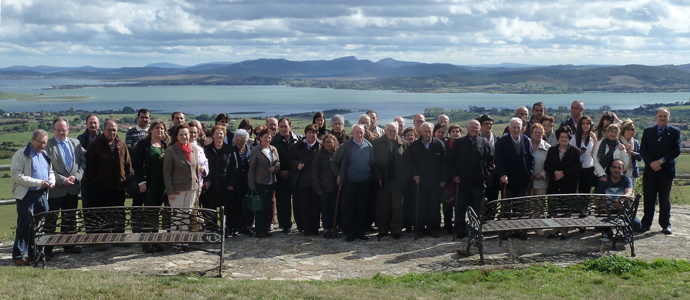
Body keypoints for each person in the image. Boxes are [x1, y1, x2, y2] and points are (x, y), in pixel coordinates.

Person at [10, 130, 55, 266]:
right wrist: (39, 182)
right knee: (24, 225)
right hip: (26, 195)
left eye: (45, 143)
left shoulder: (45, 154)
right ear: (32, 140)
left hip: (42, 194)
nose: (42, 145)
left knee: (39, 226)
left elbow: (50, 171)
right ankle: (18, 255)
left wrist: (51, 181)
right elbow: (16, 176)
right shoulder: (21, 154)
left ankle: (34, 253)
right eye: (40, 142)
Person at [45, 117, 85, 256]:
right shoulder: (47, 145)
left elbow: (82, 163)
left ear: (68, 129)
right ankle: (47, 249)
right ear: (53, 130)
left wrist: (77, 177)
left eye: (64, 130)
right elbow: (45, 168)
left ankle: (69, 245)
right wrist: (62, 180)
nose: (62, 133)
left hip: (72, 188)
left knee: (70, 218)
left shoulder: (76, 143)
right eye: (58, 130)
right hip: (55, 190)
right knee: (51, 220)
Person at [640, 107, 681, 235]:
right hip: (650, 170)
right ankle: (646, 224)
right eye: (660, 116)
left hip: (666, 170)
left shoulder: (675, 132)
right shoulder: (647, 131)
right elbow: (643, 150)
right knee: (649, 198)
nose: (663, 118)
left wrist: (661, 161)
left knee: (664, 199)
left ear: (669, 117)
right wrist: (651, 163)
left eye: (665, 116)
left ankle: (665, 224)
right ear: (656, 117)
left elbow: (676, 150)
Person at [450, 120, 493, 239]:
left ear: (480, 130)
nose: (474, 130)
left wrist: (484, 174)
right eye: (472, 128)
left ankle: (475, 230)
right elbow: (451, 162)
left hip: (478, 183)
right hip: (462, 182)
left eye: (477, 128)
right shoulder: (459, 143)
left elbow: (490, 162)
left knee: (477, 210)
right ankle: (461, 231)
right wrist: (454, 176)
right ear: (468, 129)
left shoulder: (484, 143)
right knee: (460, 208)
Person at [331, 124, 374, 242]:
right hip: (349, 182)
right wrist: (338, 174)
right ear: (352, 133)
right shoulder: (346, 146)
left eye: (361, 132)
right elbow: (334, 161)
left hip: (364, 182)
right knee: (348, 208)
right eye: (357, 132)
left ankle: (360, 232)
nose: (359, 135)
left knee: (361, 208)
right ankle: (349, 233)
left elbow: (372, 163)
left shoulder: (369, 146)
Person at [131, 119, 169, 253]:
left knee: (157, 212)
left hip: (162, 184)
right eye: (157, 128)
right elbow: (137, 164)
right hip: (148, 184)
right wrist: (142, 182)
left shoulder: (165, 145)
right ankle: (146, 241)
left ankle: (155, 239)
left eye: (162, 128)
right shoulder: (143, 144)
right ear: (151, 129)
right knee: (148, 212)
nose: (160, 130)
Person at [163, 123, 200, 253]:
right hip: (177, 189)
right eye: (182, 134)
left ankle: (184, 241)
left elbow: (196, 170)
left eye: (186, 134)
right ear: (177, 136)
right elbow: (167, 173)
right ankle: (176, 242)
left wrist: (198, 187)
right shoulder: (171, 150)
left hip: (192, 188)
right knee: (177, 216)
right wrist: (170, 191)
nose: (185, 136)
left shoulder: (194, 149)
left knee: (186, 216)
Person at [408, 122, 447, 238]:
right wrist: (414, 174)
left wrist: (443, 178)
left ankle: (433, 228)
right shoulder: (414, 146)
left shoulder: (439, 144)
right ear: (420, 132)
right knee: (420, 206)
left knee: (434, 206)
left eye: (429, 131)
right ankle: (419, 229)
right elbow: (411, 163)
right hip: (420, 181)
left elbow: (444, 163)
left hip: (435, 181)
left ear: (432, 131)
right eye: (425, 131)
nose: (427, 133)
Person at [372, 122, 409, 240]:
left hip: (398, 181)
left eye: (395, 131)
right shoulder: (376, 144)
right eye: (390, 131)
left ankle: (396, 230)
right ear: (385, 131)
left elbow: (408, 164)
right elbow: (373, 163)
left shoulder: (405, 144)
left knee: (397, 206)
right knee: (383, 207)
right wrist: (378, 177)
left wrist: (404, 179)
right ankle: (383, 230)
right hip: (383, 180)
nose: (393, 133)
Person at [544, 127, 582, 240]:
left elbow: (578, 167)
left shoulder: (575, 151)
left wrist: (564, 173)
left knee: (567, 208)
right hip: (555, 183)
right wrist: (555, 172)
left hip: (569, 183)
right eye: (562, 137)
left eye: (566, 137)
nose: (564, 139)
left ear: (569, 138)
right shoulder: (552, 150)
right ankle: (555, 228)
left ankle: (564, 229)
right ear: (558, 138)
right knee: (554, 207)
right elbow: (547, 165)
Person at [85, 120, 132, 210]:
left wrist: (125, 181)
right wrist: (94, 184)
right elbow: (89, 167)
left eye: (114, 130)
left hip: (118, 189)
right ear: (104, 130)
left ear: (117, 131)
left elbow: (128, 165)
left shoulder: (122, 145)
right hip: (100, 190)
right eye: (109, 130)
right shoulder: (95, 145)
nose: (112, 132)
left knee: (118, 217)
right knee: (102, 217)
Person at [270, 117, 304, 233]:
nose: (283, 129)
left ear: (290, 127)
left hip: (297, 175)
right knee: (283, 202)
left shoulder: (299, 138)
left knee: (298, 201)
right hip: (282, 176)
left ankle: (301, 224)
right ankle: (285, 225)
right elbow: (272, 160)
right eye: (281, 127)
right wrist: (279, 172)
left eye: (285, 126)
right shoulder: (274, 141)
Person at [289, 124, 322, 236]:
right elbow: (291, 160)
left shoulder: (321, 146)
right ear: (306, 134)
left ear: (317, 134)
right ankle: (307, 228)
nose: (311, 135)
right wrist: (296, 165)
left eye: (313, 133)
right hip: (302, 181)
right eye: (309, 133)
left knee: (316, 206)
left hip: (317, 181)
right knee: (304, 206)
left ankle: (315, 228)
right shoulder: (297, 146)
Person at [248, 128, 281, 238]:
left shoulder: (273, 149)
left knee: (268, 207)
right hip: (260, 182)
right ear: (260, 138)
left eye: (269, 137)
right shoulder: (256, 150)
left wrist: (275, 168)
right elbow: (251, 169)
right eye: (265, 137)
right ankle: (260, 230)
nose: (267, 139)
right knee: (260, 207)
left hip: (271, 182)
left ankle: (267, 229)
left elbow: (278, 163)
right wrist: (251, 185)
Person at [595, 158, 636, 241]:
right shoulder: (604, 181)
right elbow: (599, 199)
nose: (617, 170)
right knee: (598, 225)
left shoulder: (626, 179)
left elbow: (629, 193)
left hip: (621, 210)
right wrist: (609, 213)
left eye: (619, 168)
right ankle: (608, 230)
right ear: (610, 169)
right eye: (614, 167)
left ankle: (620, 229)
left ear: (623, 169)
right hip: (606, 210)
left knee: (637, 225)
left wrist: (622, 199)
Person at [202, 126, 233, 231]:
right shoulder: (207, 149)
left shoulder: (229, 149)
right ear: (212, 135)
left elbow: (234, 167)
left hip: (225, 183)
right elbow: (205, 165)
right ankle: (212, 228)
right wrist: (207, 180)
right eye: (217, 133)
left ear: (224, 136)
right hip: (211, 182)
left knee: (227, 207)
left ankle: (227, 228)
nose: (219, 136)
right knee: (211, 207)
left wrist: (231, 183)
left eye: (221, 134)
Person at [495, 117, 535, 199]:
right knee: (506, 208)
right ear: (509, 128)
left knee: (520, 208)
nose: (516, 129)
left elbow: (531, 158)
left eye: (518, 127)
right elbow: (498, 160)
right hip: (507, 181)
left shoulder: (526, 140)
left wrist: (529, 173)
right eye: (514, 127)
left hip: (522, 181)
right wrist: (502, 174)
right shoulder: (502, 142)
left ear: (522, 128)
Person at [311, 134, 340, 239]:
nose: (328, 144)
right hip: (323, 188)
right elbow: (314, 172)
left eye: (330, 142)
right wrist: (317, 188)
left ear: (334, 143)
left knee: (335, 209)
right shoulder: (319, 155)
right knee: (325, 210)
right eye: (326, 142)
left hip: (336, 187)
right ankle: (327, 228)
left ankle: (334, 228)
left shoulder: (337, 154)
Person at [228, 129, 254, 236]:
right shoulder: (231, 150)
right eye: (237, 140)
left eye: (242, 141)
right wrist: (230, 183)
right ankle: (235, 227)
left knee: (248, 205)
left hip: (248, 182)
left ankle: (247, 226)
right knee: (235, 205)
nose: (239, 143)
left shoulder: (251, 150)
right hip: (235, 183)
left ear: (246, 141)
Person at [77, 114, 101, 208]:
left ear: (99, 124)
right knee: (87, 206)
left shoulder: (104, 138)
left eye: (95, 123)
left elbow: (103, 156)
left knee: (101, 207)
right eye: (91, 123)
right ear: (86, 124)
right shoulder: (80, 139)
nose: (93, 125)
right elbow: (79, 157)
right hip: (86, 178)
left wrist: (86, 152)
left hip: (101, 179)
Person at [441, 124, 462, 233]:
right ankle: (448, 225)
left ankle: (458, 225)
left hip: (460, 179)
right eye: (453, 131)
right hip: (448, 179)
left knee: (459, 203)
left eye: (457, 131)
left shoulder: (463, 144)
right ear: (449, 133)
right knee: (447, 203)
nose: (455, 133)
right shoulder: (444, 145)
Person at [570, 116, 597, 193]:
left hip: (589, 167)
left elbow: (594, 153)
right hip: (578, 168)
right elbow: (569, 151)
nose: (585, 125)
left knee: (586, 191)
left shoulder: (592, 138)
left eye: (587, 123)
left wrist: (595, 139)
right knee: (577, 191)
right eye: (583, 123)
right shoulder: (574, 138)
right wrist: (578, 151)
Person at [477, 114, 500, 202]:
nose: (489, 126)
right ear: (481, 125)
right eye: (486, 124)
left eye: (491, 124)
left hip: (493, 175)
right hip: (480, 175)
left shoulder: (497, 139)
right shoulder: (477, 139)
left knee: (493, 200)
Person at [401, 126, 418, 232]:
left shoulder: (418, 147)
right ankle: (406, 224)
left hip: (416, 179)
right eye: (408, 135)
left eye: (412, 135)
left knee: (415, 202)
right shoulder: (402, 147)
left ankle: (415, 223)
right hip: (405, 180)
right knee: (406, 203)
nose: (410, 137)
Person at [619, 119, 642, 187]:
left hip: (632, 172)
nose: (634, 131)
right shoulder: (618, 142)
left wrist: (633, 153)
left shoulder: (635, 142)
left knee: (630, 194)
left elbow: (640, 157)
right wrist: (624, 149)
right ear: (626, 130)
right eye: (632, 129)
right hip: (621, 172)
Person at [188, 121, 209, 195]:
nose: (193, 135)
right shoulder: (182, 147)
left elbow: (205, 162)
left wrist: (203, 169)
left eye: (195, 133)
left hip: (198, 184)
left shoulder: (200, 148)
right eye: (190, 132)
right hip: (186, 184)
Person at [529, 123, 550, 196]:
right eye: (535, 132)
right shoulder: (525, 145)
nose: (537, 134)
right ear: (531, 134)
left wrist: (543, 174)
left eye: (539, 132)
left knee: (539, 206)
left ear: (543, 134)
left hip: (541, 183)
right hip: (527, 182)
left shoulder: (548, 148)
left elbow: (550, 164)